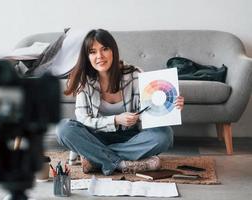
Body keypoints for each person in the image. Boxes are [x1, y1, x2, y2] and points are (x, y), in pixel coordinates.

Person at [56, 29, 184, 176]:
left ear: (113, 51)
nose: (99, 56)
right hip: (95, 137)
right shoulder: (84, 81)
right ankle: (121, 163)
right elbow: (84, 119)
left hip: (129, 138)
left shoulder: (134, 75)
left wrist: (170, 105)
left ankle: (97, 159)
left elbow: (148, 111)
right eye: (93, 51)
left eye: (104, 49)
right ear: (87, 56)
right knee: (63, 129)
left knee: (165, 135)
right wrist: (116, 120)